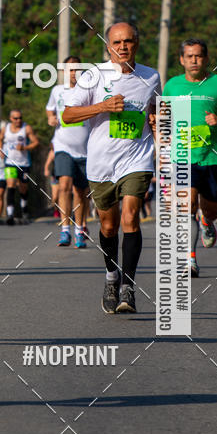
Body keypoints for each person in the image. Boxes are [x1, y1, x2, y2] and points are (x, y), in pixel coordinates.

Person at [62, 22, 161, 314]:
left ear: (137, 43)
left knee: (131, 216)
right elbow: (68, 114)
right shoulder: (93, 76)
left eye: (128, 41)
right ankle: (111, 277)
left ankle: (128, 287)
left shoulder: (151, 76)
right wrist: (102, 107)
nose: (123, 47)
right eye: (117, 42)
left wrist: (156, 122)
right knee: (108, 225)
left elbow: (156, 110)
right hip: (101, 161)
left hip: (137, 158)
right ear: (108, 47)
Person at [163, 39, 217, 278]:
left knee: (210, 209)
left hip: (212, 158)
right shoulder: (172, 86)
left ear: (206, 59)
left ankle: (208, 222)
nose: (194, 60)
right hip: (182, 156)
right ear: (181, 60)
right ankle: (190, 259)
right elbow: (164, 117)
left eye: (198, 56)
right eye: (189, 56)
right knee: (187, 205)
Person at [46, 56, 90, 248]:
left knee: (81, 191)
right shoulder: (57, 90)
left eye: (77, 69)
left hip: (85, 149)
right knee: (64, 185)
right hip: (63, 145)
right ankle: (65, 231)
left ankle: (79, 230)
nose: (74, 73)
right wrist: (51, 118)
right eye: (70, 70)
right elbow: (50, 110)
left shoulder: (89, 90)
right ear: (64, 71)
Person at [2, 109, 39, 224]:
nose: (18, 120)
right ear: (11, 119)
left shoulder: (26, 128)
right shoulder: (6, 128)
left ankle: (24, 208)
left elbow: (35, 142)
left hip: (24, 163)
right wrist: (1, 150)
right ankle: (10, 214)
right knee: (11, 186)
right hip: (10, 162)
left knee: (23, 188)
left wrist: (24, 148)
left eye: (20, 118)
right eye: (16, 118)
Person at [44, 142, 60, 218]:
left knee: (66, 194)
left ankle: (67, 211)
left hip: (65, 176)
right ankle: (56, 210)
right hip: (55, 176)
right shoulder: (52, 152)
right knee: (55, 196)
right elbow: (47, 164)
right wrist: (46, 170)